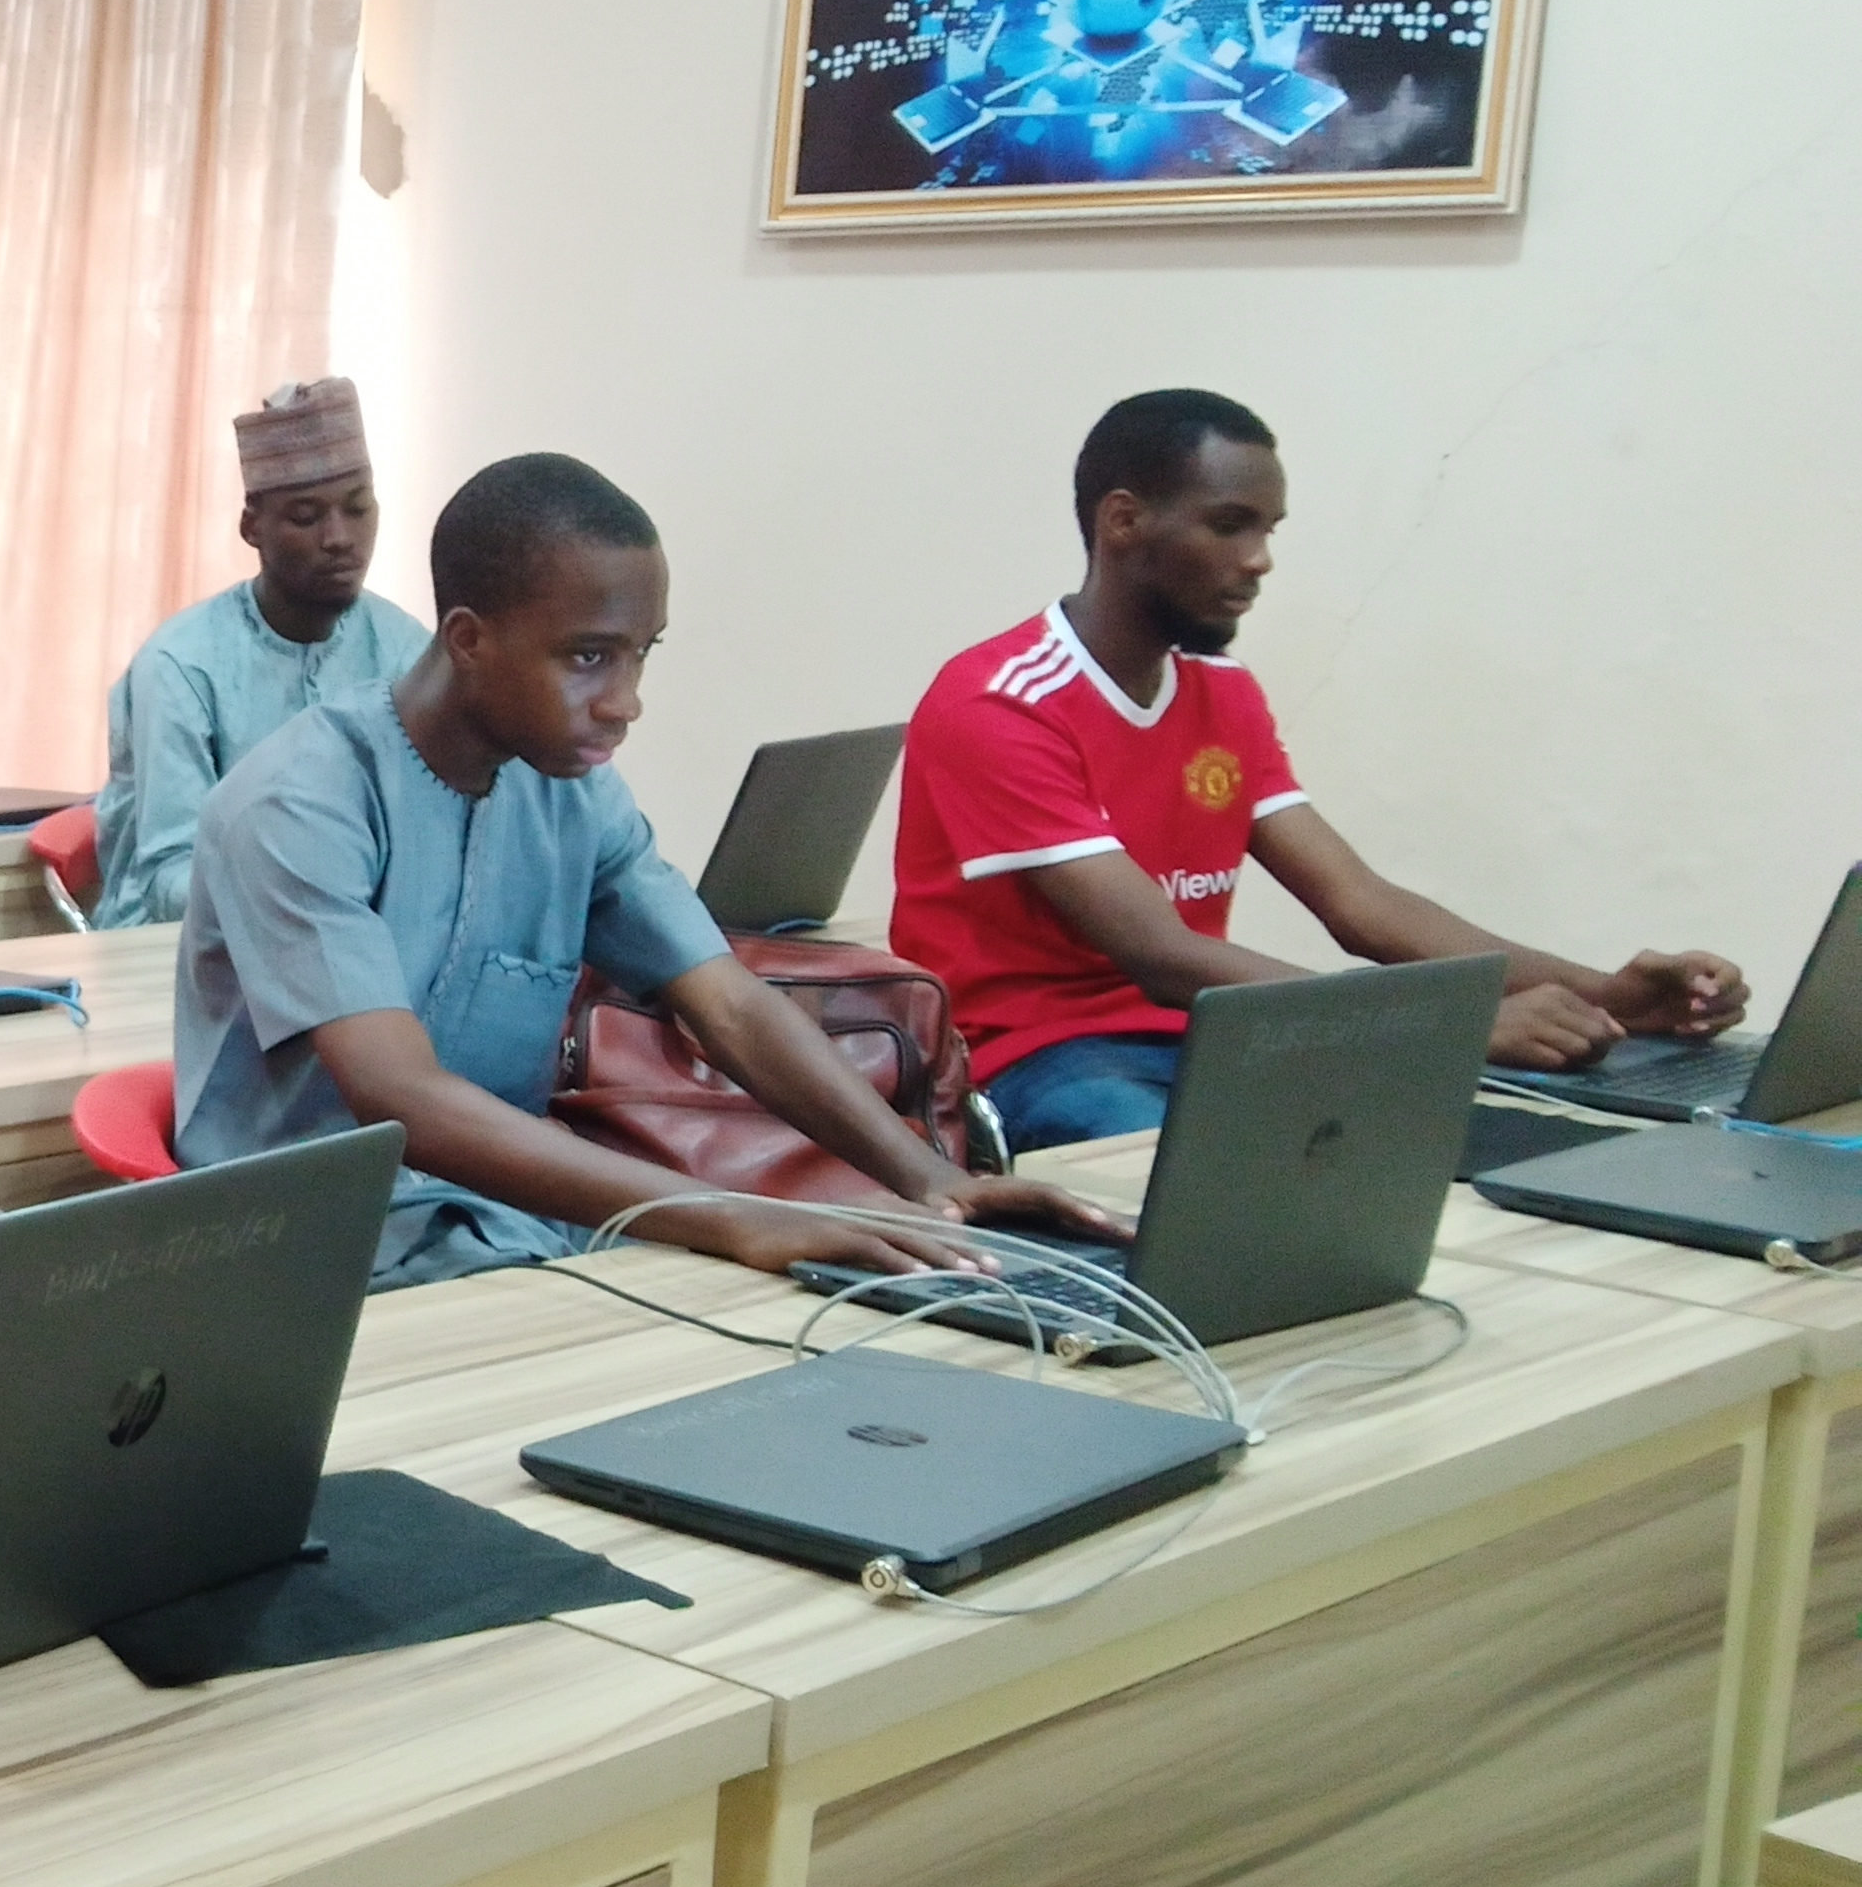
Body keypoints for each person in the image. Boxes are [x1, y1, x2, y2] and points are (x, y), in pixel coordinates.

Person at [173, 452, 1123, 1290]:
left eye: (640, 655)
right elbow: (403, 1099)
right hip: (308, 1256)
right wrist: (730, 1212)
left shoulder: (570, 792)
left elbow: (733, 1008)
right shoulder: (299, 801)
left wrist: (933, 1180)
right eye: (589, 658)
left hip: (501, 1224)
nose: (625, 702)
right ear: (469, 639)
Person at [894, 389, 1745, 1153]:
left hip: (1207, 1039)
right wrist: (1449, 1026)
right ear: (1124, 522)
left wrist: (1606, 996)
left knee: (1487, 1147)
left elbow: (1359, 903)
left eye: (1269, 530)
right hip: (1036, 1063)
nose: (1260, 558)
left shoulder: (1221, 692)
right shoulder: (1001, 702)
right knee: (1249, 1188)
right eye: (1230, 525)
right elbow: (1161, 954)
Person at [89, 377, 428, 927]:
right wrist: (319, 895)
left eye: (358, 508)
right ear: (253, 528)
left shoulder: (404, 649)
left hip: (352, 940)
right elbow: (171, 878)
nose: (340, 537)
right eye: (306, 517)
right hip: (180, 956)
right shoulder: (182, 666)